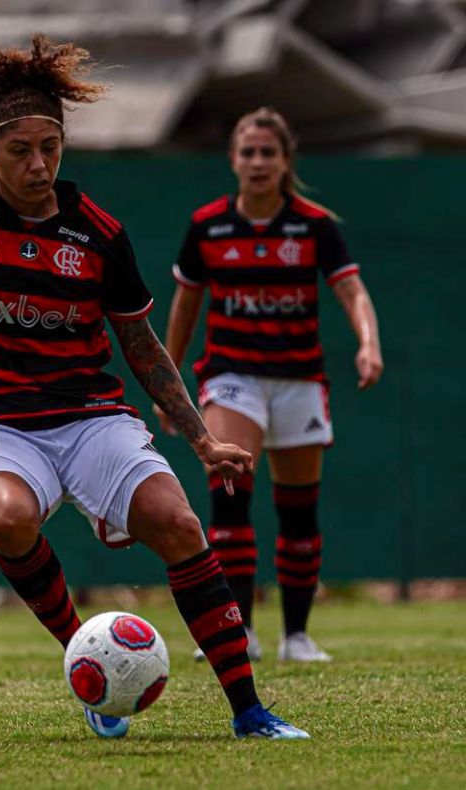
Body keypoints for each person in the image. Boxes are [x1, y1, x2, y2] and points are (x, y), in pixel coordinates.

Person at [0, 36, 308, 740]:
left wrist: (201, 438)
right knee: (6, 517)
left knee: (178, 524)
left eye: (51, 146)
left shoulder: (98, 231)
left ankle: (251, 712)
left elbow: (140, 346)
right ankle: (89, 662)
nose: (39, 164)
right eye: (20, 150)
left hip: (90, 416)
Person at [159, 107, 382, 663]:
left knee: (298, 509)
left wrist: (368, 342)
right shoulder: (208, 224)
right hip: (232, 377)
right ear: (233, 160)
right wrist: (171, 384)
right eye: (248, 152)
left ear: (285, 162)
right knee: (231, 495)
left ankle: (297, 637)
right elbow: (186, 307)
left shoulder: (313, 225)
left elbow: (352, 291)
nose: (258, 162)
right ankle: (240, 633)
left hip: (298, 379)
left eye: (268, 152)